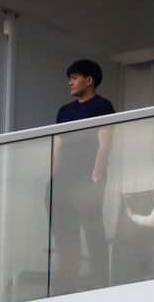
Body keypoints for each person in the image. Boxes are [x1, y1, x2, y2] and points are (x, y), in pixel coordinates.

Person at [51, 59, 115, 290]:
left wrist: (95, 179)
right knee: (66, 232)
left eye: (75, 77)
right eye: (70, 78)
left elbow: (105, 145)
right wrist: (52, 180)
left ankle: (101, 281)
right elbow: (56, 146)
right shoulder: (64, 111)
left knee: (92, 228)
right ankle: (67, 281)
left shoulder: (102, 106)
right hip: (63, 181)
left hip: (87, 180)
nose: (70, 82)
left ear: (89, 80)